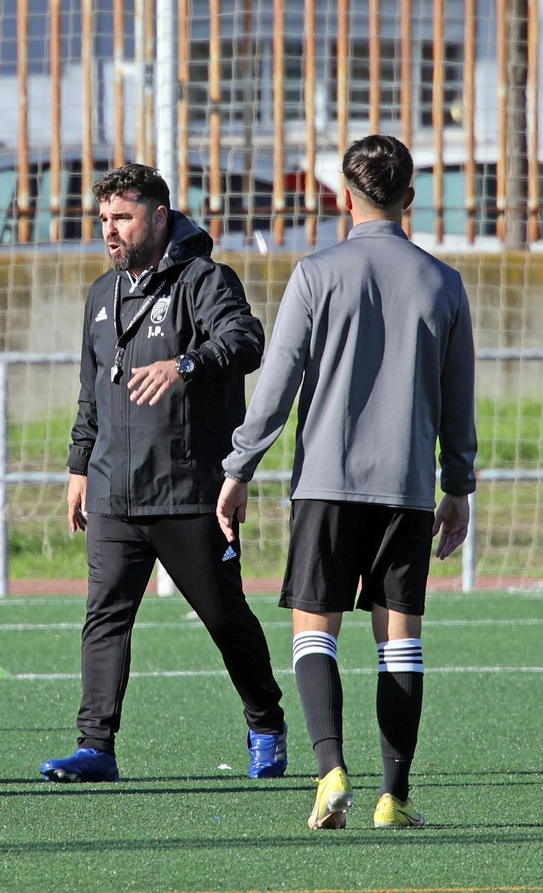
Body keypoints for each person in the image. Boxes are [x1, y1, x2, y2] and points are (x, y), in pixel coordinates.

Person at [218, 135, 476, 830]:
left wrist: (239, 465)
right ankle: (395, 795)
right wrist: (459, 485)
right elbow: (459, 398)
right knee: (401, 641)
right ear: (410, 199)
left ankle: (331, 771)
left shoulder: (315, 273)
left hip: (327, 487)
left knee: (315, 633)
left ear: (344, 195)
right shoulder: (443, 282)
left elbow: (275, 387)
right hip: (407, 489)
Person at [42, 163, 288, 783]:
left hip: (186, 490)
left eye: (122, 217)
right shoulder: (103, 293)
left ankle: (265, 719)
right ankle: (96, 746)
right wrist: (79, 467)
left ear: (158, 215)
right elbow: (91, 391)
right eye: (103, 220)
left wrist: (186, 363)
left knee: (224, 615)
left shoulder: (206, 280)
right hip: (112, 493)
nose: (110, 231)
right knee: (105, 616)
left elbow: (248, 340)